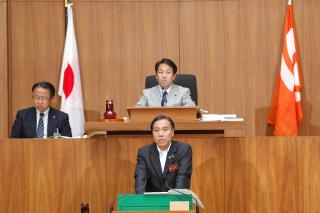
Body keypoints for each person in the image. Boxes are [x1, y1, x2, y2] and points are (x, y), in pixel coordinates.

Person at [134, 115, 192, 193]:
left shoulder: (183, 150)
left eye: (165, 129)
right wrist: (141, 202)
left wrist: (176, 202)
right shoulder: (144, 153)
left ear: (172, 132)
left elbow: (183, 178)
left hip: (176, 200)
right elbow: (140, 180)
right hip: (152, 202)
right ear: (152, 133)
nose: (160, 134)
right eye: (156, 130)